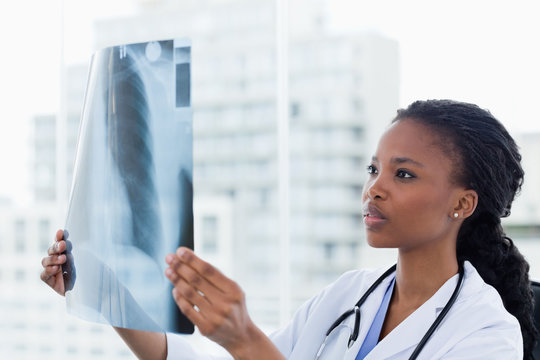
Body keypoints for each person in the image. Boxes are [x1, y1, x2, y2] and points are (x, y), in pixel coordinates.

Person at [41, 99, 538, 359]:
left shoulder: (488, 335)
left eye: (403, 174)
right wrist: (109, 291)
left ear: (463, 203)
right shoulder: (351, 295)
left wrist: (244, 338)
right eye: (373, 170)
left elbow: (256, 355)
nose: (374, 189)